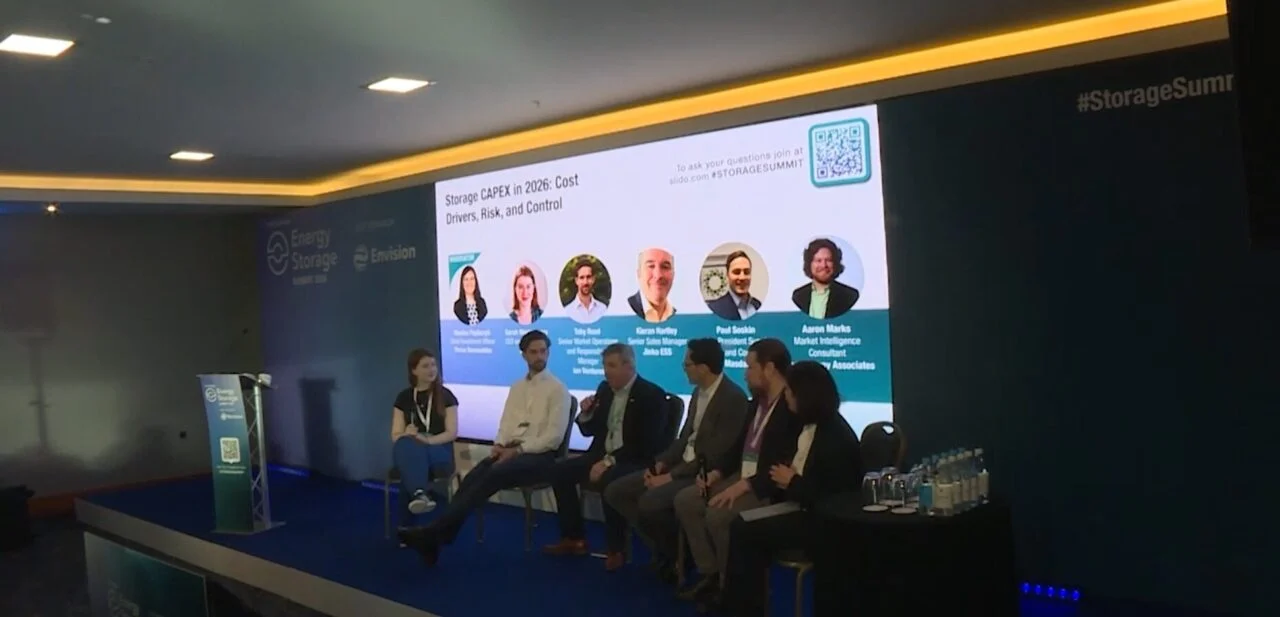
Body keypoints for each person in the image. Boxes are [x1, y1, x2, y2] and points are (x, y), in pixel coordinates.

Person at [399, 330, 570, 565]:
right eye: (534, 352)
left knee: (493, 474)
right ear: (524, 355)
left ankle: (434, 534)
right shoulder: (517, 387)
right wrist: (500, 444)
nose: (539, 356)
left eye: (543, 351)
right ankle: (436, 536)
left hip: (540, 456)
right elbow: (507, 422)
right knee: (474, 476)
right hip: (511, 451)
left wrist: (517, 451)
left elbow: (553, 438)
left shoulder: (558, 390)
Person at [719, 361, 863, 616]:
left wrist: (793, 482)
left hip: (823, 522)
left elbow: (836, 499)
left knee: (744, 530)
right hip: (803, 507)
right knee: (741, 525)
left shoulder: (835, 438)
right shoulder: (812, 426)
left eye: (789, 392)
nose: (785, 397)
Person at [604, 338, 749, 583]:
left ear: (703, 367)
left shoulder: (732, 398)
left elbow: (714, 454)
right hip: (679, 466)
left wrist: (670, 477)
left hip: (701, 474)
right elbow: (684, 439)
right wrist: (660, 463)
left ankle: (682, 557)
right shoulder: (698, 392)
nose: (684, 368)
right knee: (616, 491)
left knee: (650, 502)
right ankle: (668, 551)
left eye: (688, 364)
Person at [672, 338, 800, 605]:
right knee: (687, 500)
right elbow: (736, 448)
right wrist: (716, 474)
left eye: (750, 366)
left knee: (718, 515)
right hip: (740, 475)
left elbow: (783, 465)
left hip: (766, 485)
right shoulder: (756, 404)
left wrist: (744, 485)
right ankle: (710, 573)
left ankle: (730, 586)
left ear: (770, 368)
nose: (745, 373)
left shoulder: (791, 407)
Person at [541, 343, 668, 570]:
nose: (606, 372)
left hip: (632, 460)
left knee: (611, 478)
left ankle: (615, 548)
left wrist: (609, 461)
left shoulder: (651, 395)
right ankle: (574, 537)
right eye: (604, 366)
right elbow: (590, 431)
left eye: (611, 366)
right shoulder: (605, 389)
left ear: (628, 366)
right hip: (600, 454)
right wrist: (586, 414)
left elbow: (646, 444)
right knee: (559, 470)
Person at [390, 349, 459, 524]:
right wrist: (408, 433)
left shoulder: (446, 395)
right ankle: (420, 494)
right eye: (425, 366)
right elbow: (395, 435)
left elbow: (451, 433)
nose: (431, 370)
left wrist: (427, 440)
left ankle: (407, 526)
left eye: (433, 365)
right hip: (413, 448)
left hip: (439, 451)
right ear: (414, 370)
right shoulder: (404, 397)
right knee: (406, 445)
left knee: (409, 464)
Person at [791, 238, 860, 320]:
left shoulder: (850, 296)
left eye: (828, 260)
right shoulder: (798, 296)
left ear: (835, 264)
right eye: (818, 260)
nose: (824, 265)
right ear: (809, 264)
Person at [707, 250, 762, 321]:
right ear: (727, 275)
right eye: (736, 272)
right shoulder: (714, 309)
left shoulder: (757, 305)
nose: (742, 277)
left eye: (746, 272)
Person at [627, 248, 676, 323]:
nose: (658, 275)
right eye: (651, 266)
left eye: (665, 267)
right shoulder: (625, 310)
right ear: (639, 273)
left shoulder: (679, 316)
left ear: (673, 275)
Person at [564, 258, 608, 324]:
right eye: (582, 277)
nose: (585, 282)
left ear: (593, 279)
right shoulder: (568, 311)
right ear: (576, 281)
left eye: (588, 277)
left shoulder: (603, 309)